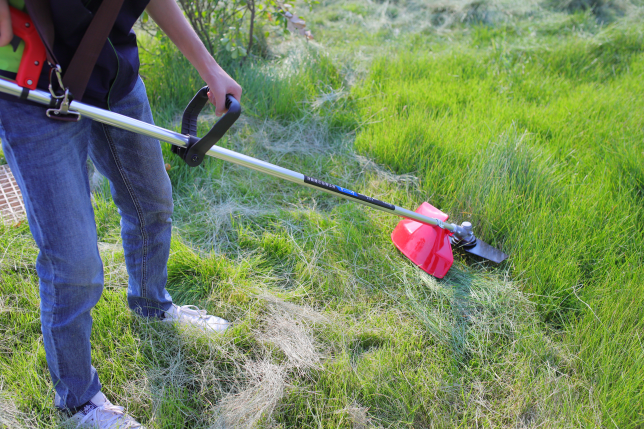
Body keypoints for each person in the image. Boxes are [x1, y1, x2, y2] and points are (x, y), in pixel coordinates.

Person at [0, 0, 242, 427]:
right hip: (35, 91)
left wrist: (209, 66)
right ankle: (78, 400)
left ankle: (151, 303)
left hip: (113, 76)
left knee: (152, 202)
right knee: (73, 260)